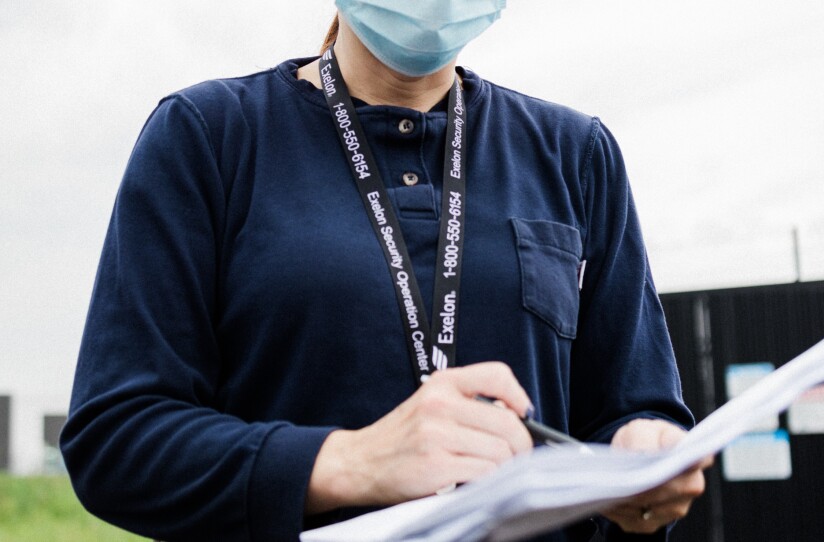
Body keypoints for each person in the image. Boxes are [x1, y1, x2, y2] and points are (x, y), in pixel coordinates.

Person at [61, 1, 711, 541]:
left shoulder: (576, 156)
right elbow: (116, 439)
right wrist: (350, 463)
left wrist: (645, 452)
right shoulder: (206, 138)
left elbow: (636, 408)